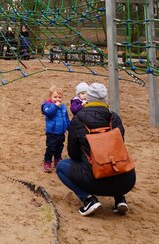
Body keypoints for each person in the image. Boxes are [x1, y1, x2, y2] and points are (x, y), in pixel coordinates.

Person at [56, 82, 136, 217]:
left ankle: (88, 199)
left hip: (94, 180)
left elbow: (73, 154)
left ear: (88, 99)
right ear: (105, 99)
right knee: (114, 156)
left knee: (62, 166)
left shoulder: (78, 120)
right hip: (126, 180)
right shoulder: (114, 118)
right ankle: (120, 199)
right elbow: (120, 144)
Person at [41, 85, 70, 172]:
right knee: (51, 148)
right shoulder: (47, 105)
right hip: (52, 132)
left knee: (59, 147)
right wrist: (55, 106)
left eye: (60, 97)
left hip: (61, 132)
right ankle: (47, 162)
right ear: (50, 97)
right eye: (55, 97)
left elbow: (66, 118)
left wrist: (69, 127)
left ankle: (57, 160)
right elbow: (49, 113)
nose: (58, 99)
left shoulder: (63, 107)